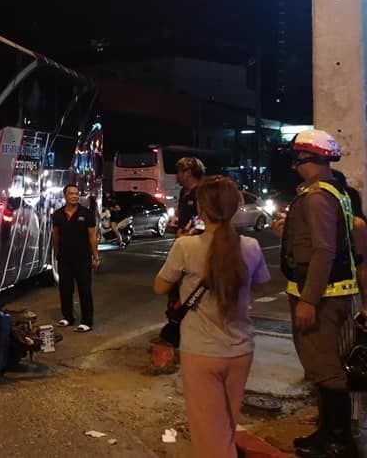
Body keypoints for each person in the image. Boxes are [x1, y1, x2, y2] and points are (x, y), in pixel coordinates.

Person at [153, 176, 271, 458]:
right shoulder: (251, 247)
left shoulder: (187, 247)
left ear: (202, 211)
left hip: (201, 351)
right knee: (226, 425)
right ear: (235, 207)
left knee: (209, 434)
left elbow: (159, 287)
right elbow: (262, 282)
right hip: (241, 349)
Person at [270, 128, 360, 458]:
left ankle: (339, 441)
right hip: (327, 292)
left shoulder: (319, 197)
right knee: (320, 366)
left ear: (311, 159)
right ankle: (327, 433)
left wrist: (308, 300)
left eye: (298, 159)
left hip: (323, 297)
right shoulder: (331, 193)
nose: (295, 166)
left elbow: (323, 251)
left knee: (325, 367)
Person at [51, 184, 100, 332]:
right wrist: (56, 254)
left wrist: (95, 256)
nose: (74, 196)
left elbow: (92, 236)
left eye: (76, 194)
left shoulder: (86, 214)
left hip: (83, 258)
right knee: (65, 289)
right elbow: (56, 235)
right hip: (64, 258)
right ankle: (68, 317)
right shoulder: (58, 214)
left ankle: (87, 321)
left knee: (84, 289)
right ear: (65, 196)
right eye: (71, 193)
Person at [175, 157, 206, 236]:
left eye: (179, 172)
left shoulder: (202, 192)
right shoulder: (183, 192)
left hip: (197, 240)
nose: (177, 175)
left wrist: (190, 231)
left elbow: (203, 220)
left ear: (188, 172)